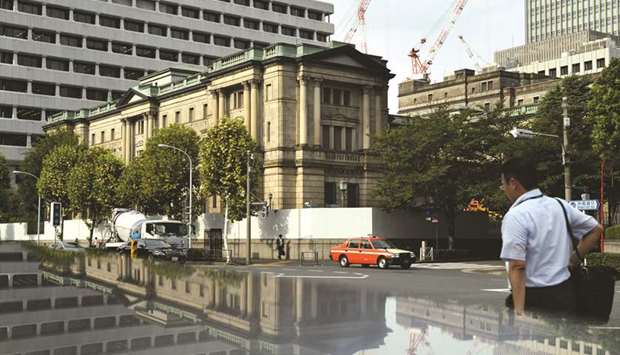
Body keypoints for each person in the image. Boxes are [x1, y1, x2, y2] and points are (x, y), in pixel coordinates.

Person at [500, 157, 603, 316]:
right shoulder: (560, 205)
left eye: (503, 184)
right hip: (565, 293)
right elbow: (596, 229)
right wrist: (573, 260)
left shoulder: (516, 216)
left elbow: (517, 266)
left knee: (534, 340)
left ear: (513, 182)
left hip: (533, 297)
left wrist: (519, 312)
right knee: (564, 339)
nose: (503, 189)